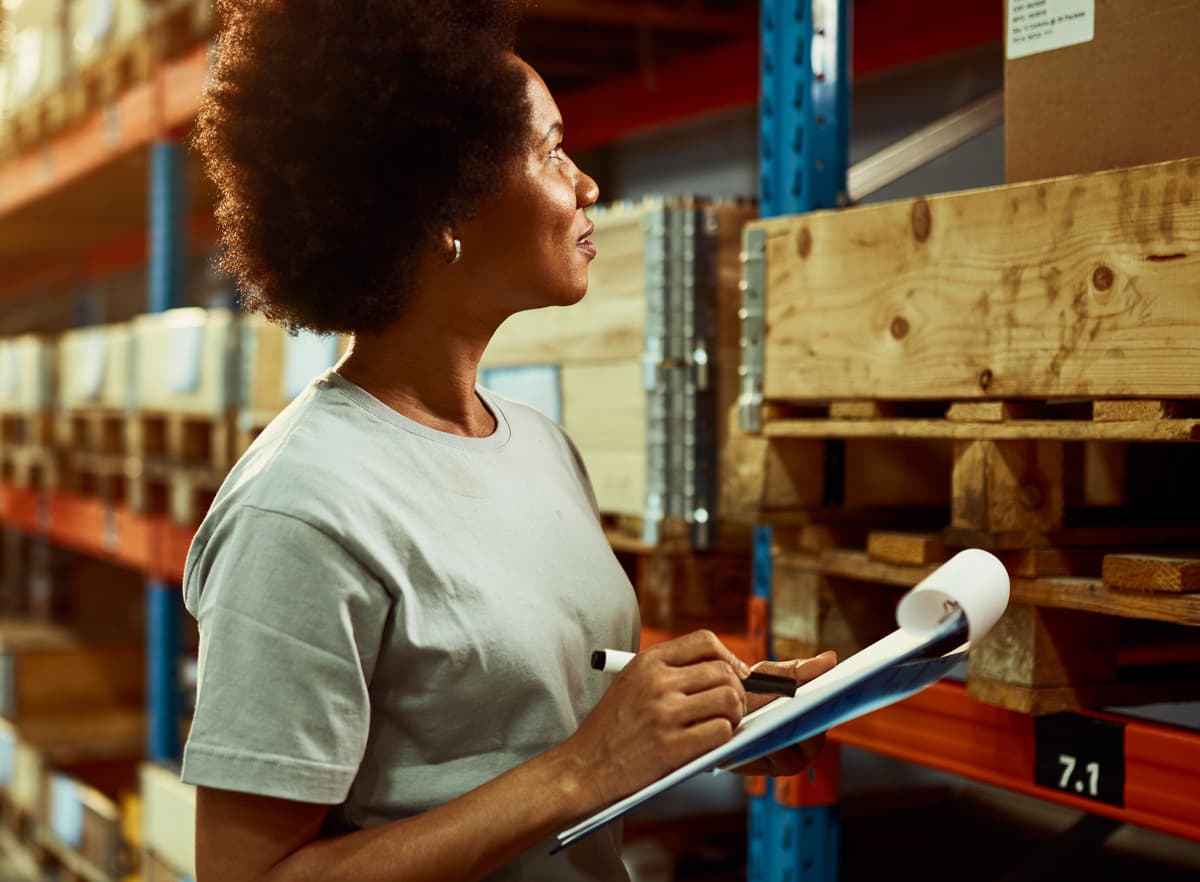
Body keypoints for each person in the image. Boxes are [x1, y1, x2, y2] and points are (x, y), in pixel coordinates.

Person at [182, 2, 837, 881]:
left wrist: (718, 718)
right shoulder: (300, 508)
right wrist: (581, 770)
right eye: (551, 150)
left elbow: (522, 716)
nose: (586, 184)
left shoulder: (537, 447)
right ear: (445, 204)